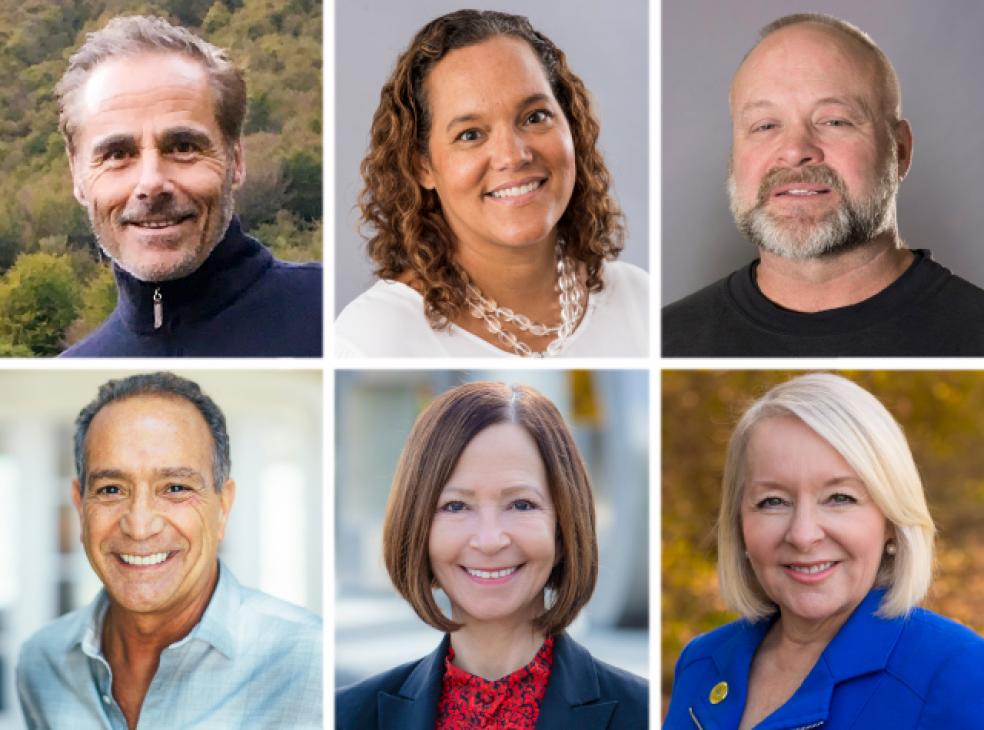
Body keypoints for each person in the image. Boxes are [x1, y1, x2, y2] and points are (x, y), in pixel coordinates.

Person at [664, 373, 984, 728]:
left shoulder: (956, 671)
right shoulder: (701, 661)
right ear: (739, 524)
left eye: (840, 498)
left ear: (892, 519)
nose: (802, 535)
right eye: (773, 501)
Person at [662, 13, 984, 356]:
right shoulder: (667, 340)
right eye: (765, 126)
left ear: (900, 151)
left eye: (834, 121)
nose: (795, 151)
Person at [335, 10, 648, 358]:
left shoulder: (640, 303)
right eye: (470, 134)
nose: (513, 156)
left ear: (571, 125)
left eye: (534, 117)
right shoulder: (371, 341)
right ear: (422, 165)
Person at [16, 373, 322, 728]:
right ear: (80, 506)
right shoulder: (41, 663)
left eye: (175, 487)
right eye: (112, 489)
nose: (140, 525)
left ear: (223, 507)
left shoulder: (309, 661)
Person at [336, 382, 647, 728]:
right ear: (418, 528)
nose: (489, 540)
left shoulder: (642, 713)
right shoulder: (347, 716)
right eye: (455, 506)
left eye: (521, 504)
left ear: (562, 529)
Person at [55, 15, 322, 357]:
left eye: (182, 148)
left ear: (236, 161)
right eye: (118, 154)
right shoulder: (79, 365)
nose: (151, 183)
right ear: (77, 175)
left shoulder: (332, 322)